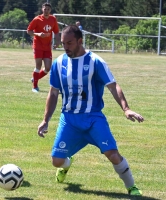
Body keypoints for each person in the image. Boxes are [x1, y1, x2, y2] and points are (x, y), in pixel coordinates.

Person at [37, 25, 143, 196]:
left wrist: (126, 108)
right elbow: (53, 93)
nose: (66, 47)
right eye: (63, 43)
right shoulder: (59, 63)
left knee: (113, 154)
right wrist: (45, 120)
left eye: (70, 43)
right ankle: (67, 162)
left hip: (93, 119)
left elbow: (113, 86)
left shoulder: (96, 62)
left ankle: (132, 187)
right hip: (69, 120)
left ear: (80, 41)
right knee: (57, 161)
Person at [27, 2, 60, 93]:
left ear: (50, 10)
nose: (46, 11)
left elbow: (56, 32)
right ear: (42, 9)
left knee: (48, 68)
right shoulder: (37, 19)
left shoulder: (53, 19)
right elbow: (29, 31)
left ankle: (35, 78)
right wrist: (38, 34)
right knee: (38, 65)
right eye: (45, 9)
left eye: (48, 9)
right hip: (38, 45)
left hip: (47, 47)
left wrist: (58, 42)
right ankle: (35, 87)